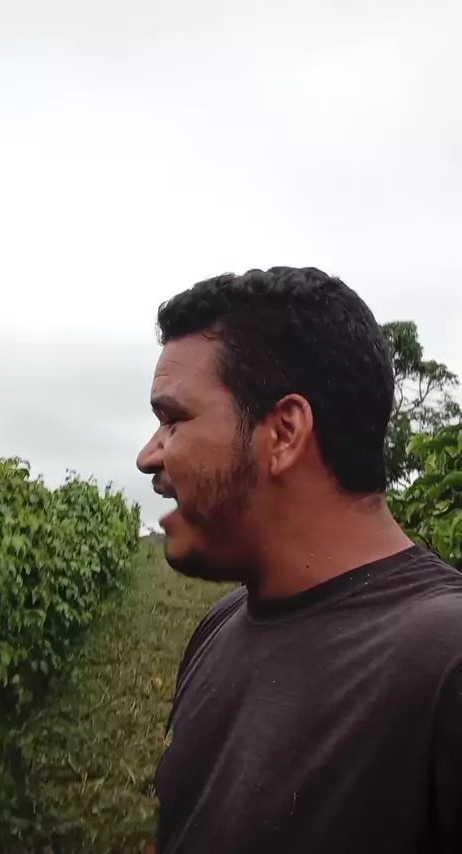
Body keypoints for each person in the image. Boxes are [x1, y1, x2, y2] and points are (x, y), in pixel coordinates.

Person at [137, 266, 462, 854]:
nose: (147, 457)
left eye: (173, 421)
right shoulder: (220, 624)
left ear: (285, 433)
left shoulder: (447, 665)